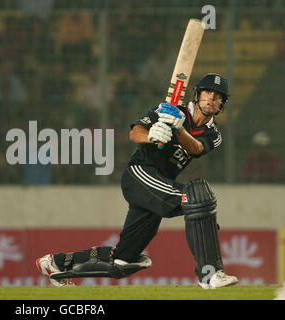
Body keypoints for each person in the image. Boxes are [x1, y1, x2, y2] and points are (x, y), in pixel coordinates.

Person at [36, 73, 238, 289]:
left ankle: (56, 262)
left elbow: (195, 148)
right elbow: (135, 132)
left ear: (222, 104)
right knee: (197, 197)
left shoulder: (213, 133)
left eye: (218, 97)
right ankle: (210, 275)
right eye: (208, 92)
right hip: (139, 174)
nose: (211, 99)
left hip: (158, 186)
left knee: (123, 261)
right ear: (197, 94)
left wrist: (178, 130)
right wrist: (152, 135)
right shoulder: (170, 111)